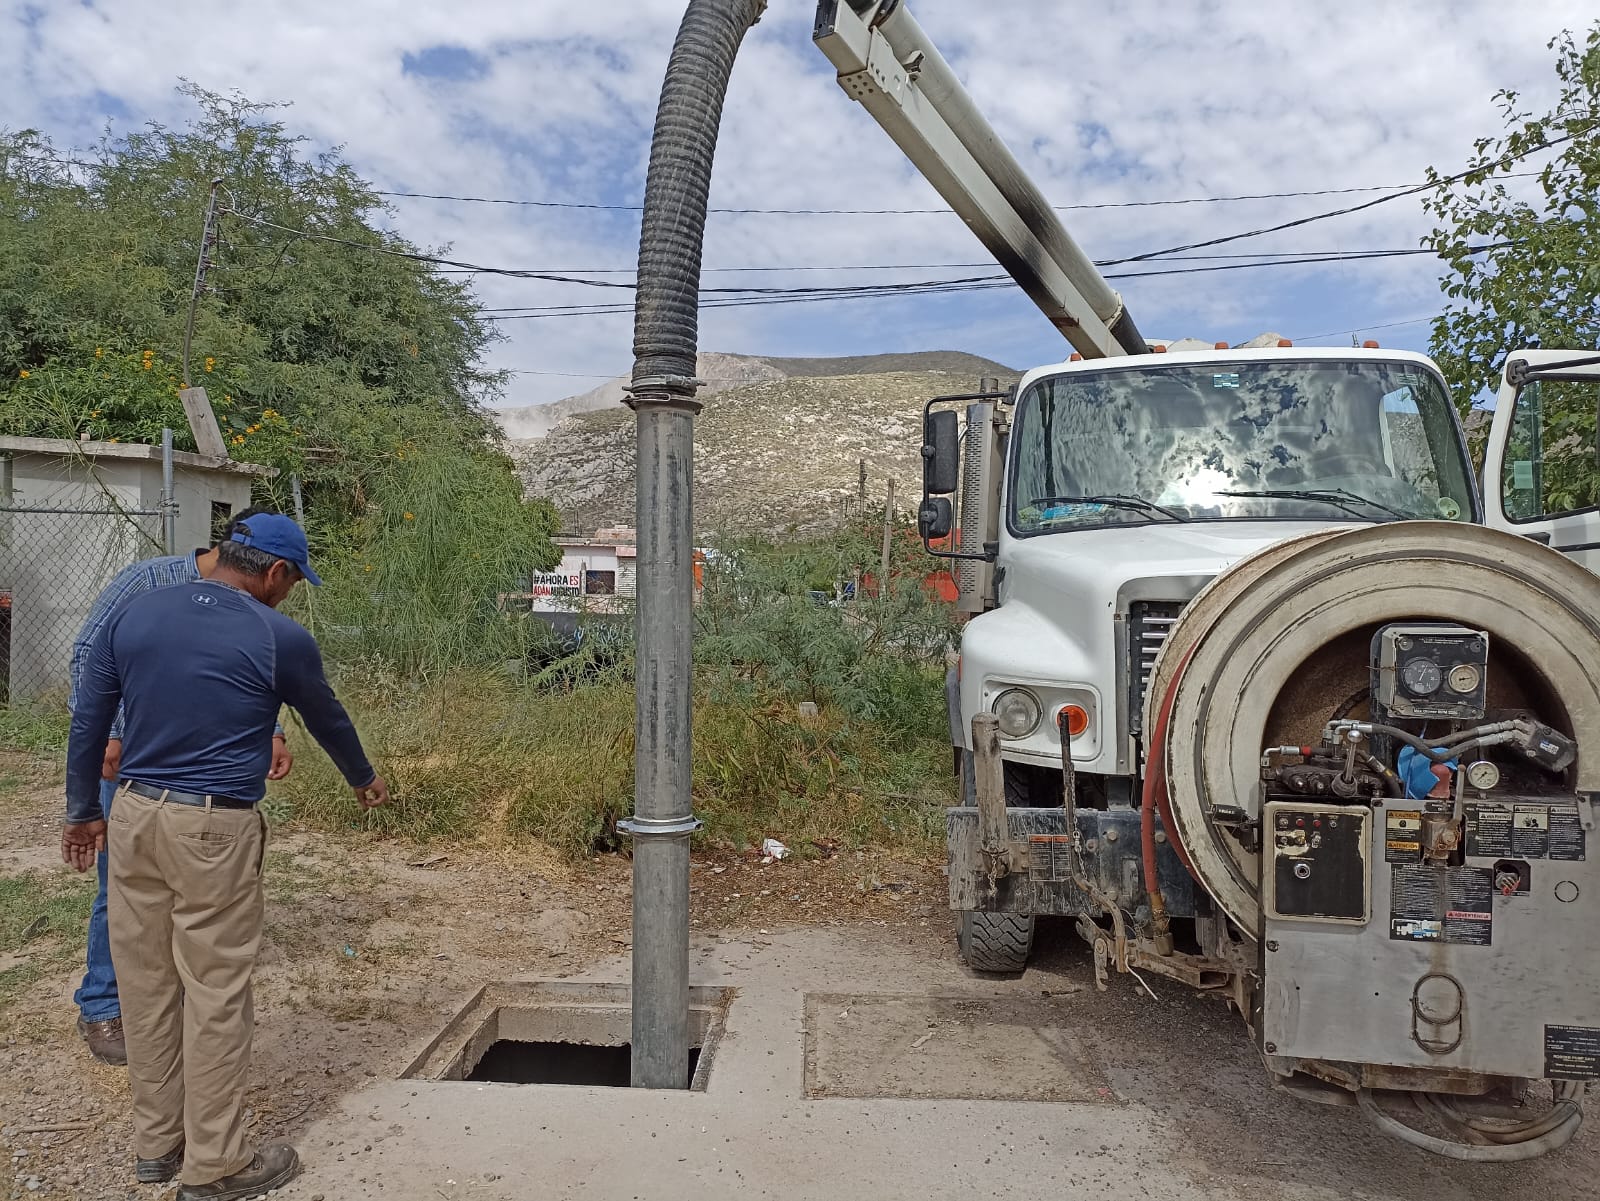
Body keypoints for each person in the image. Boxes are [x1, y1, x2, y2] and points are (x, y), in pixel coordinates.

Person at [61, 514, 388, 1200]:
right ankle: (215, 1165)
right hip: (211, 828)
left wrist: (83, 808)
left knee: (146, 986)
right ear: (276, 572)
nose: (290, 594)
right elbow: (326, 715)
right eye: (293, 582)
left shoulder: (140, 609)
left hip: (133, 814)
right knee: (214, 993)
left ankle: (158, 1144)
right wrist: (361, 776)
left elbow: (90, 715)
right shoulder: (278, 637)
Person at [67, 506, 295, 1066]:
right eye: (284, 579)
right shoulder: (148, 582)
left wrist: (271, 730)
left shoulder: (244, 598)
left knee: (188, 894)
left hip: (205, 773)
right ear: (258, 563)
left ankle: (172, 1006)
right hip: (134, 764)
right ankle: (104, 1006)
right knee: (119, 890)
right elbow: (88, 655)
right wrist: (109, 735)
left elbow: (247, 672)